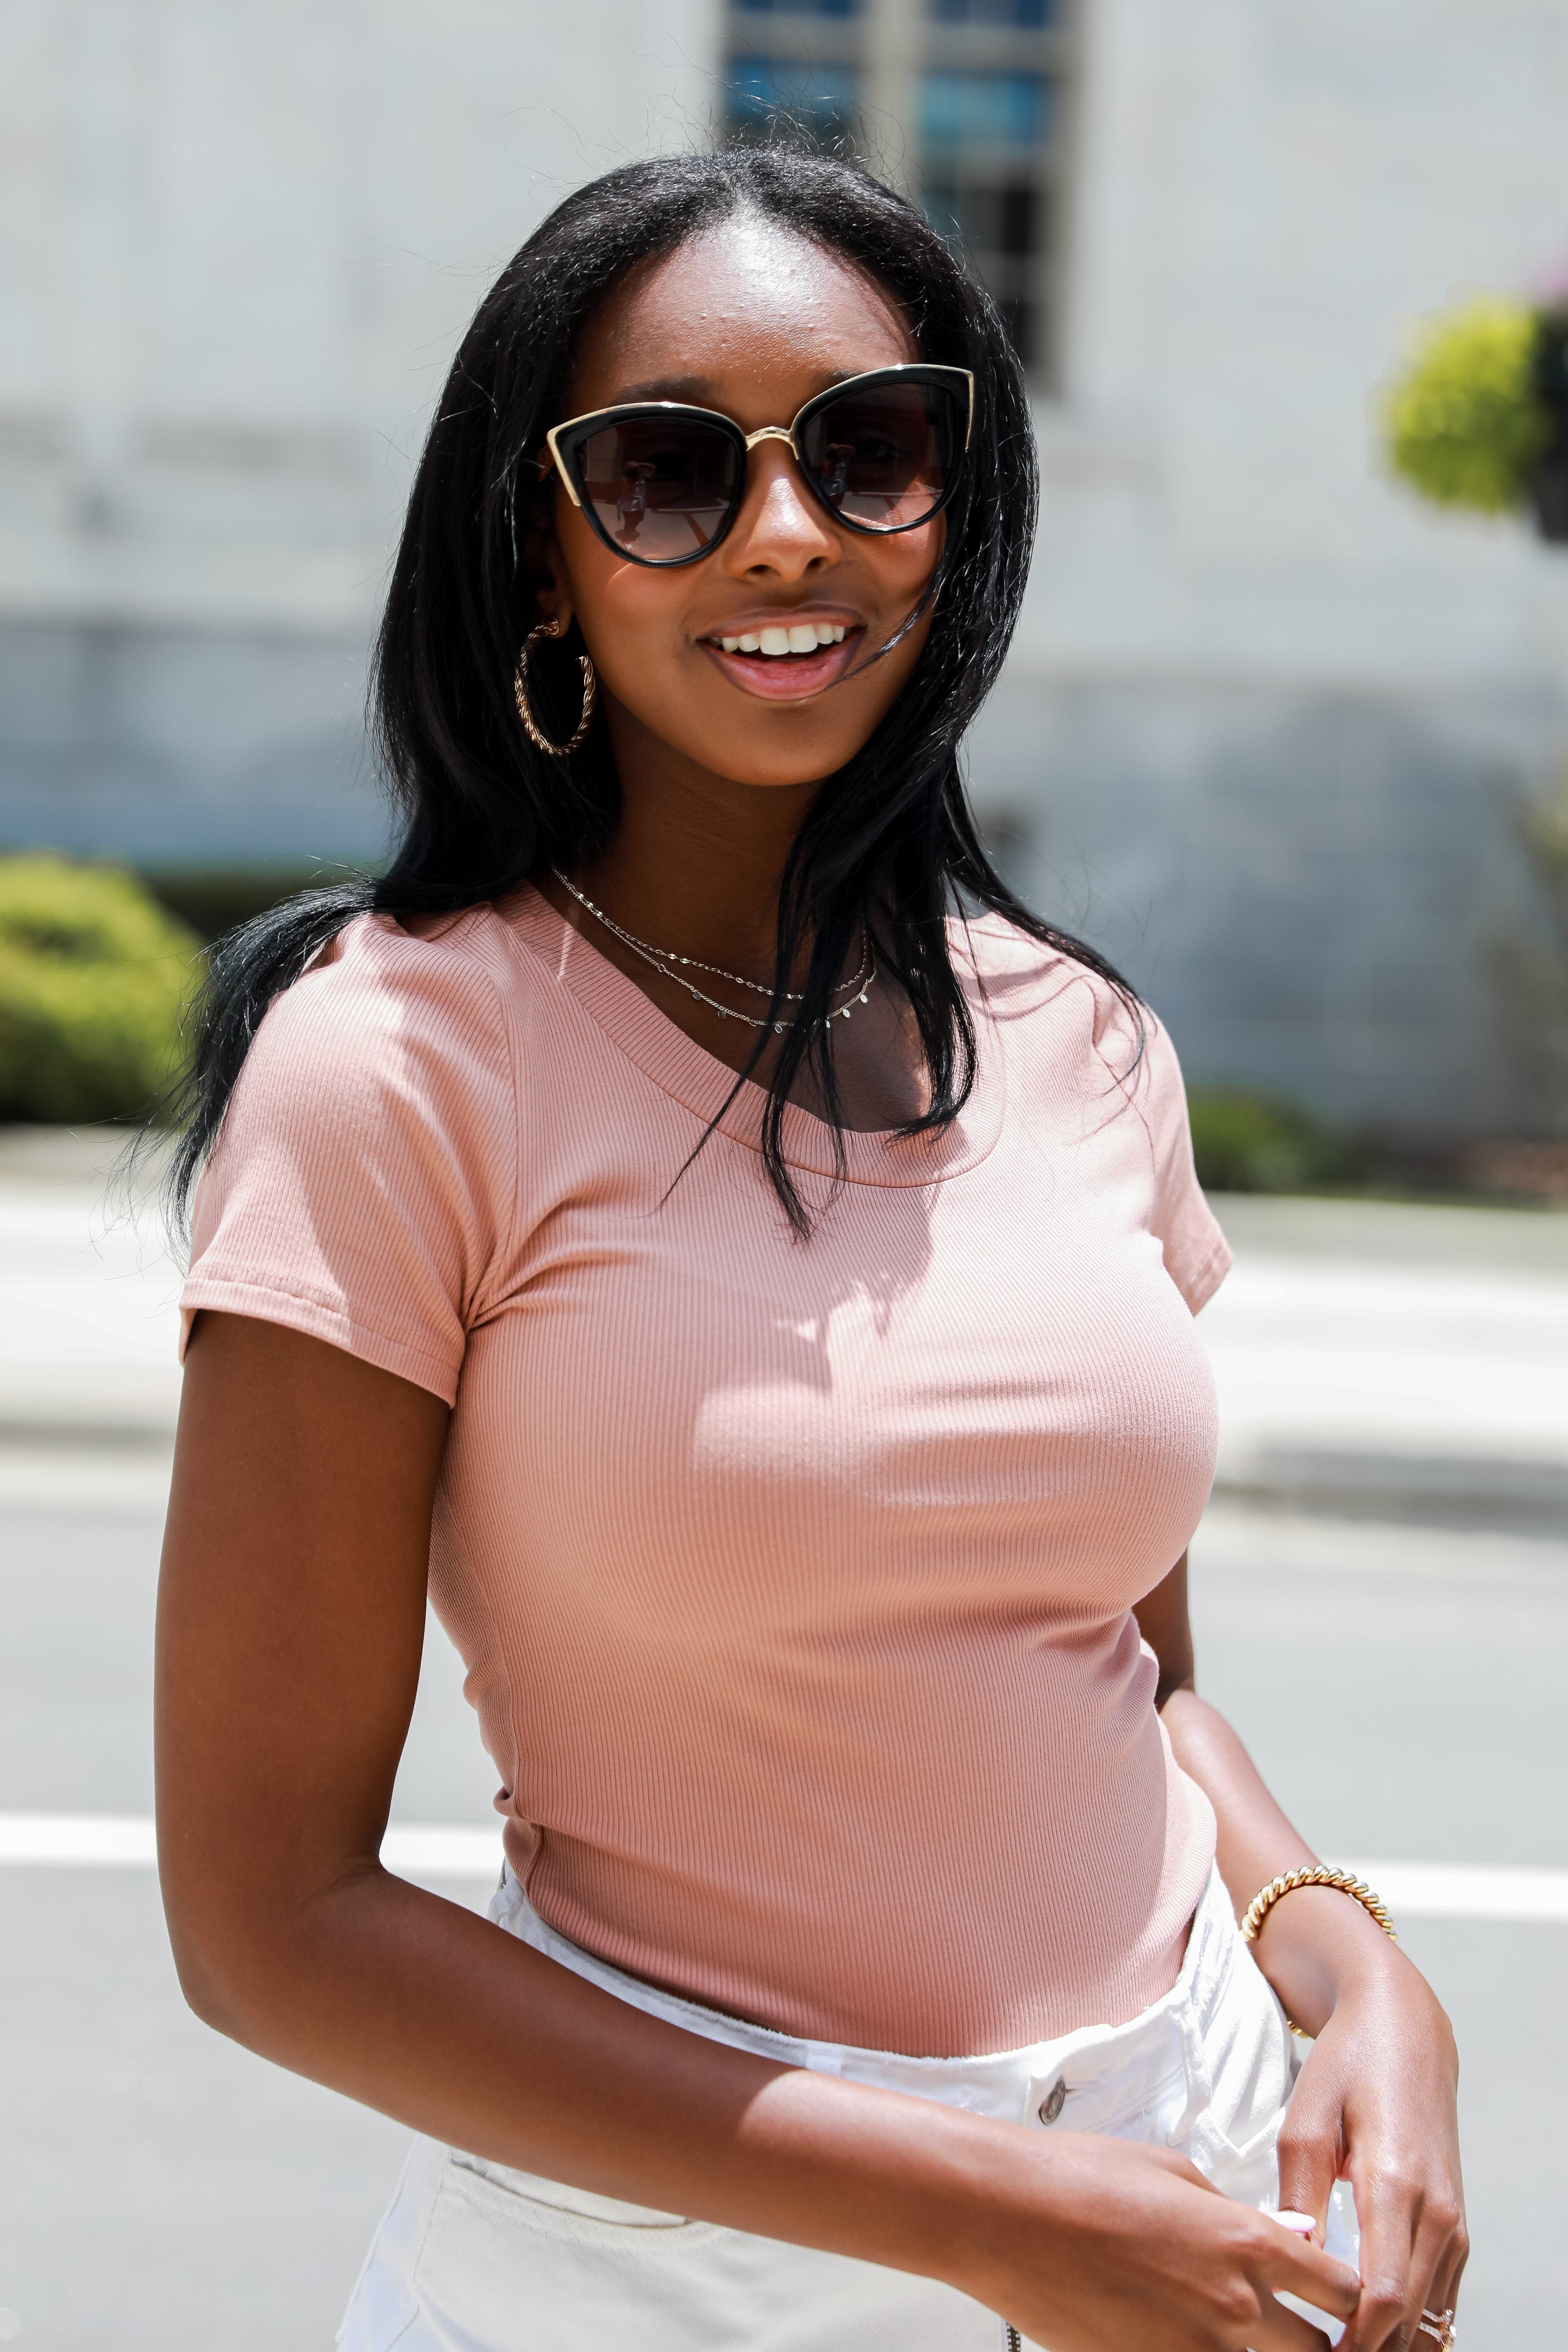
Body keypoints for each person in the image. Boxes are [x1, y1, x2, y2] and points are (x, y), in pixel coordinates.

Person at [154, 148, 1465, 2352]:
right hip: (683, 2269)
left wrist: (1354, 1969)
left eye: (870, 450)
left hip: (1197, 2190)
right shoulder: (395, 1067)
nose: (786, 531)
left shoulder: (1080, 1039)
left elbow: (1127, 1679)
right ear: (541, 552)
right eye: (668, 469)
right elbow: (267, 1921)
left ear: (956, 509)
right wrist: (986, 2212)